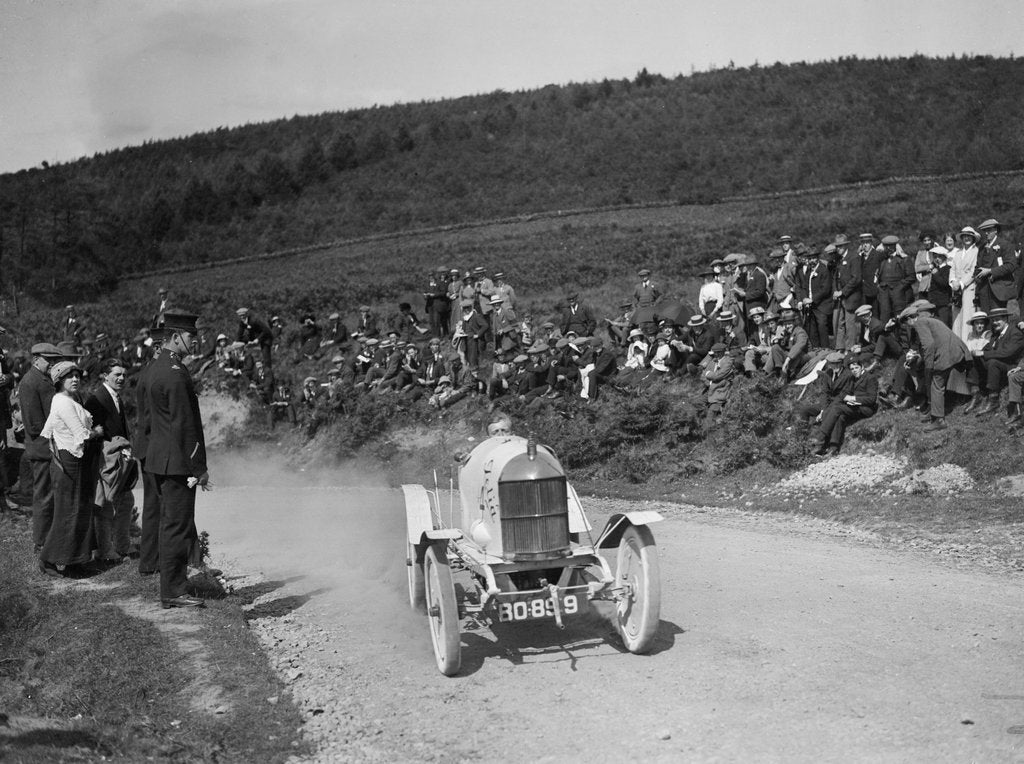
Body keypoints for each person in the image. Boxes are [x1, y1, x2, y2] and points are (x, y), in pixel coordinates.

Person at [144, 310, 209, 609]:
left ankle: (172, 585)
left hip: (159, 458)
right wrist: (200, 468)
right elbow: (185, 425)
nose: (195, 341)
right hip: (177, 462)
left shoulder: (156, 368)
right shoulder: (175, 374)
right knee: (178, 526)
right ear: (175, 337)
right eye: (191, 336)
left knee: (168, 524)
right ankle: (174, 590)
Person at [38, 361, 104, 576]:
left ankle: (76, 560)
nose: (75, 379)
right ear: (59, 381)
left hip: (74, 459)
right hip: (68, 462)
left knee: (79, 509)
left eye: (77, 375)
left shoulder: (69, 399)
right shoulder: (62, 402)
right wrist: (96, 431)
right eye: (69, 376)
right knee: (69, 511)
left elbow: (51, 429)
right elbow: (82, 435)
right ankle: (49, 560)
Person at [84, 359, 136, 564]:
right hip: (105, 461)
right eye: (116, 374)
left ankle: (122, 545)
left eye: (123, 374)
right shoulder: (97, 400)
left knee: (125, 501)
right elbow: (93, 433)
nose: (121, 378)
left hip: (117, 460)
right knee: (105, 505)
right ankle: (105, 551)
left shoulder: (114, 397)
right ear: (105, 376)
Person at [19, 342, 64, 551]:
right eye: (49, 360)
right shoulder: (30, 382)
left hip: (48, 446)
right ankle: (41, 542)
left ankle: (49, 538)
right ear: (36, 359)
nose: (52, 364)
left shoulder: (43, 379)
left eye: (54, 360)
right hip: (42, 448)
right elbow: (34, 424)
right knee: (44, 496)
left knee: (50, 495)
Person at [901, 300, 971, 431]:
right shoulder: (931, 321)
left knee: (935, 384)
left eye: (907, 323)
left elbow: (929, 345)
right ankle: (933, 411)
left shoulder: (920, 323)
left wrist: (929, 366)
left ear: (910, 318)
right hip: (957, 352)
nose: (909, 326)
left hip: (947, 355)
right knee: (936, 382)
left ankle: (938, 420)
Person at [810, 353, 878, 456]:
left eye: (856, 368)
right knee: (840, 416)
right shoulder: (852, 378)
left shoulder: (870, 378)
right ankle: (833, 447)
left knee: (837, 409)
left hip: (865, 408)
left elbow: (872, 399)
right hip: (853, 406)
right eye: (852, 369)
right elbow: (844, 393)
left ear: (862, 367)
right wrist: (846, 398)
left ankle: (820, 437)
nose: (854, 370)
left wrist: (854, 398)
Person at [974, 307, 1024, 417]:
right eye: (993, 320)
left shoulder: (1015, 333)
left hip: (1012, 366)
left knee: (992, 362)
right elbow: (987, 348)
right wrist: (978, 352)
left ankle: (993, 400)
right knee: (975, 357)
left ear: (1005, 319)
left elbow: (1007, 353)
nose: (995, 323)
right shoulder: (996, 333)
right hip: (998, 364)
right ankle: (976, 393)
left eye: (998, 320)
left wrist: (984, 354)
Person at [974, 218, 1018, 314]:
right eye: (985, 231)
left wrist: (990, 271)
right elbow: (977, 267)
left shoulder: (1005, 245)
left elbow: (1011, 265)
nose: (986, 233)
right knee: (985, 318)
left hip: (999, 289)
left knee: (998, 318)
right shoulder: (982, 247)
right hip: (984, 290)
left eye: (989, 230)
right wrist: (977, 277)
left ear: (996, 230)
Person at [832, 234, 862, 350]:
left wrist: (843, 292)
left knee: (850, 325)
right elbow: (836, 277)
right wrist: (836, 290)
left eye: (840, 246)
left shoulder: (854, 257)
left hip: (851, 297)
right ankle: (839, 347)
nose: (838, 249)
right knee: (839, 323)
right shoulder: (839, 259)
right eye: (837, 246)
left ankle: (850, 349)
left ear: (845, 246)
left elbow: (856, 278)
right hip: (841, 297)